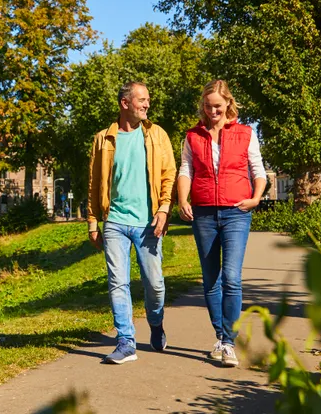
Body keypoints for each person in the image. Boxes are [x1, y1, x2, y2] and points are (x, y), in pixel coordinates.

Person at [176, 79, 267, 367]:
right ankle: (219, 335)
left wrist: (256, 198)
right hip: (203, 213)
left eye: (217, 105)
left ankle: (229, 342)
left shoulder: (245, 133)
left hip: (237, 211)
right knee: (210, 279)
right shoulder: (193, 136)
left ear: (228, 103)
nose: (212, 110)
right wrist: (182, 200)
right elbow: (185, 170)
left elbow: (258, 170)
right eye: (207, 105)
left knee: (232, 277)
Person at [87, 80, 177, 364]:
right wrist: (92, 221)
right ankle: (125, 341)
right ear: (125, 103)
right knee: (117, 281)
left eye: (147, 99)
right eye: (141, 100)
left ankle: (156, 322)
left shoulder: (157, 135)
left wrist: (164, 209)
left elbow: (169, 175)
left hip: (149, 222)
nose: (147, 104)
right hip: (114, 220)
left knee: (155, 284)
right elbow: (93, 183)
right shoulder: (103, 139)